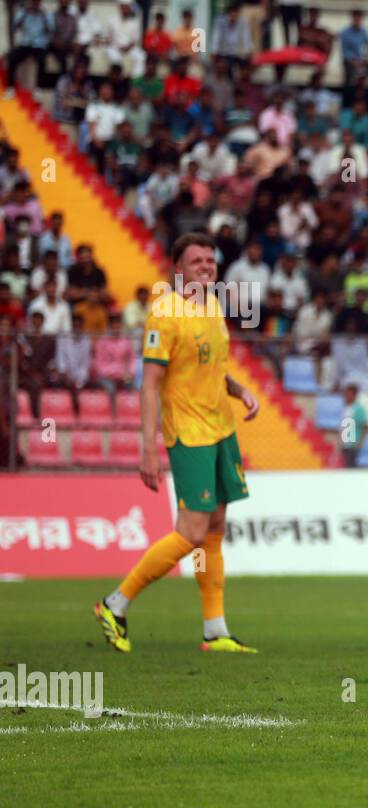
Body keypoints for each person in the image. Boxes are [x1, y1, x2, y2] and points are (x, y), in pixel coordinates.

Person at [93, 234, 260, 654]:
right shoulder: (165, 312)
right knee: (191, 532)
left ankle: (214, 629)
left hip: (221, 427)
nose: (206, 266)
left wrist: (240, 391)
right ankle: (115, 604)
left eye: (211, 259)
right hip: (189, 433)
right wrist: (147, 446)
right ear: (178, 268)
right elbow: (150, 384)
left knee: (215, 529)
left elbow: (209, 367)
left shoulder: (212, 304)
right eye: (197, 260)